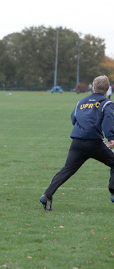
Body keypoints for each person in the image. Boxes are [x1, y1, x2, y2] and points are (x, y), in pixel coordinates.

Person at [40, 75, 114, 211]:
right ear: (107, 89)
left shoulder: (81, 102)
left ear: (93, 87)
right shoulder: (107, 103)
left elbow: (74, 118)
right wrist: (111, 138)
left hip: (77, 142)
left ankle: (47, 195)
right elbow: (108, 121)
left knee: (67, 170)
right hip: (95, 142)